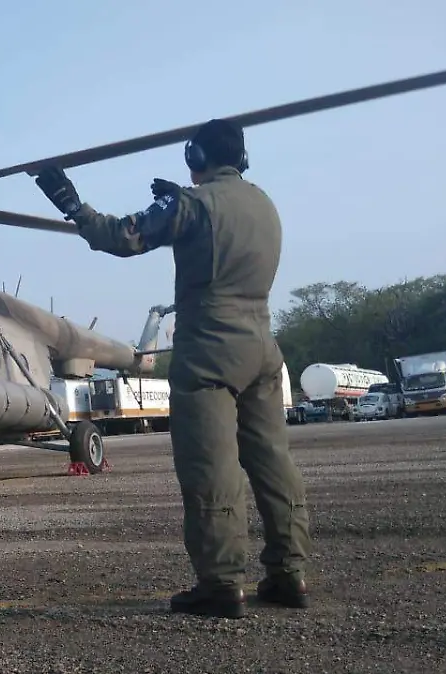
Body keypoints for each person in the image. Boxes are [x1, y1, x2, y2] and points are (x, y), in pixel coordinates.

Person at [34, 118, 313, 619]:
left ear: (196, 158)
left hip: (209, 349)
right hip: (264, 348)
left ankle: (221, 583)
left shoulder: (191, 204)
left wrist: (70, 201)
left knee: (211, 467)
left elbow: (120, 237)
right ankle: (289, 573)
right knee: (273, 462)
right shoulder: (264, 204)